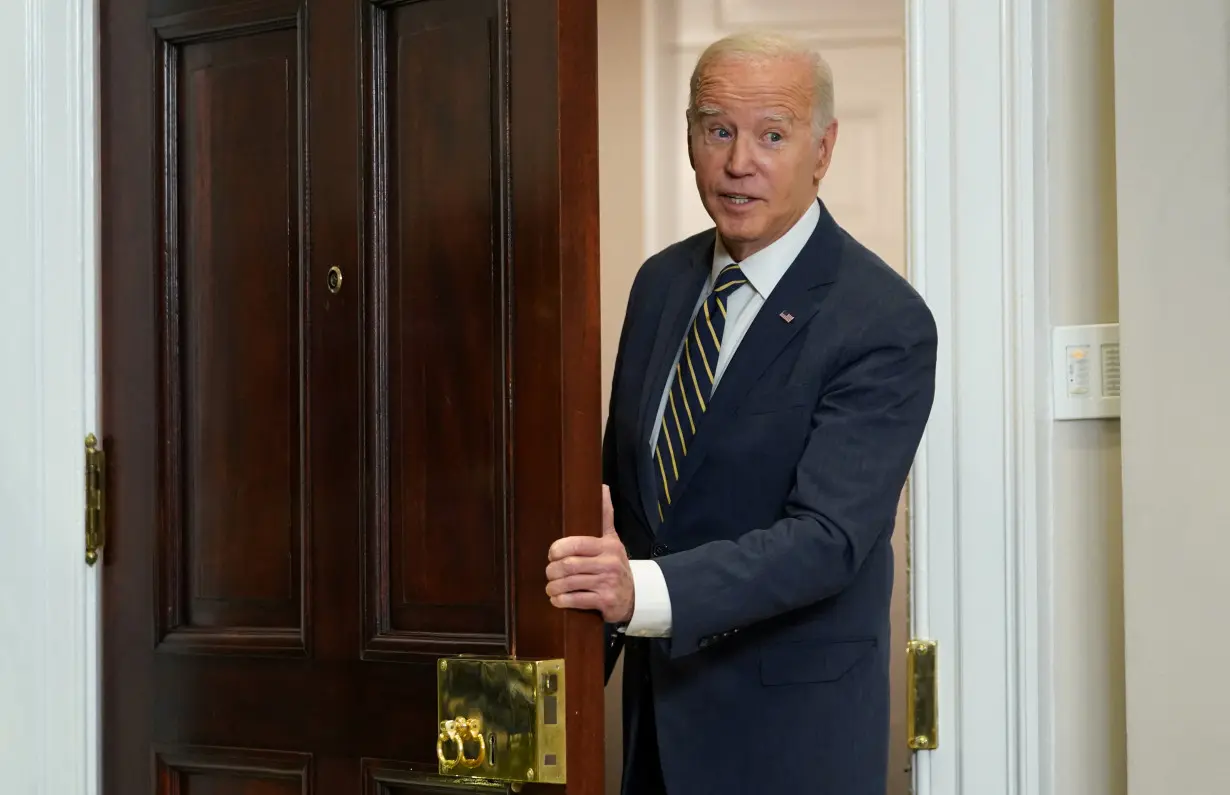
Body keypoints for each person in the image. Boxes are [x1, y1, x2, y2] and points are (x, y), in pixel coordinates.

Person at [545, 31, 938, 795]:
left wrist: (643, 592)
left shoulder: (882, 318)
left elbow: (827, 539)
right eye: (718, 129)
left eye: (772, 135)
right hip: (654, 734)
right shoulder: (659, 284)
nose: (738, 162)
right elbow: (628, 508)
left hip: (790, 747)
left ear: (822, 149)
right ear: (690, 137)